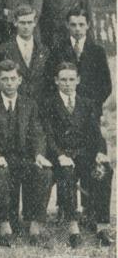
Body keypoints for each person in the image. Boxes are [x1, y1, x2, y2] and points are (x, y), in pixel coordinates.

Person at [0, 60, 51, 247]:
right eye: (4, 79)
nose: (9, 83)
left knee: (44, 172)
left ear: (20, 80)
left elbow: (37, 132)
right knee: (1, 172)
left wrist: (39, 155)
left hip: (22, 158)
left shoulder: (29, 104)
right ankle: (4, 225)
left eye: (13, 79)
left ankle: (35, 225)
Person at [43, 62, 113, 247]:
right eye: (63, 79)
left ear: (78, 80)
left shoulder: (87, 104)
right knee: (66, 173)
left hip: (83, 154)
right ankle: (73, 226)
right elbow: (48, 136)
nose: (67, 83)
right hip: (60, 155)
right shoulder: (48, 104)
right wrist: (59, 155)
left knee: (104, 170)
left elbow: (95, 133)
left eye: (71, 79)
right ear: (56, 81)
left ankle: (101, 225)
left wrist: (99, 153)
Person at [46, 8, 111, 108]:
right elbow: (50, 80)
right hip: (64, 109)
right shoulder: (57, 50)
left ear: (88, 25)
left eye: (81, 24)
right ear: (67, 25)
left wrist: (91, 106)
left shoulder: (98, 52)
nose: (77, 29)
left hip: (90, 110)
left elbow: (106, 85)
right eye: (73, 25)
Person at [0, 4, 50, 100]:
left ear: (35, 22)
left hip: (39, 104)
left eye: (29, 22)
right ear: (15, 22)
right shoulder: (3, 50)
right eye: (22, 23)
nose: (26, 27)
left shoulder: (44, 50)